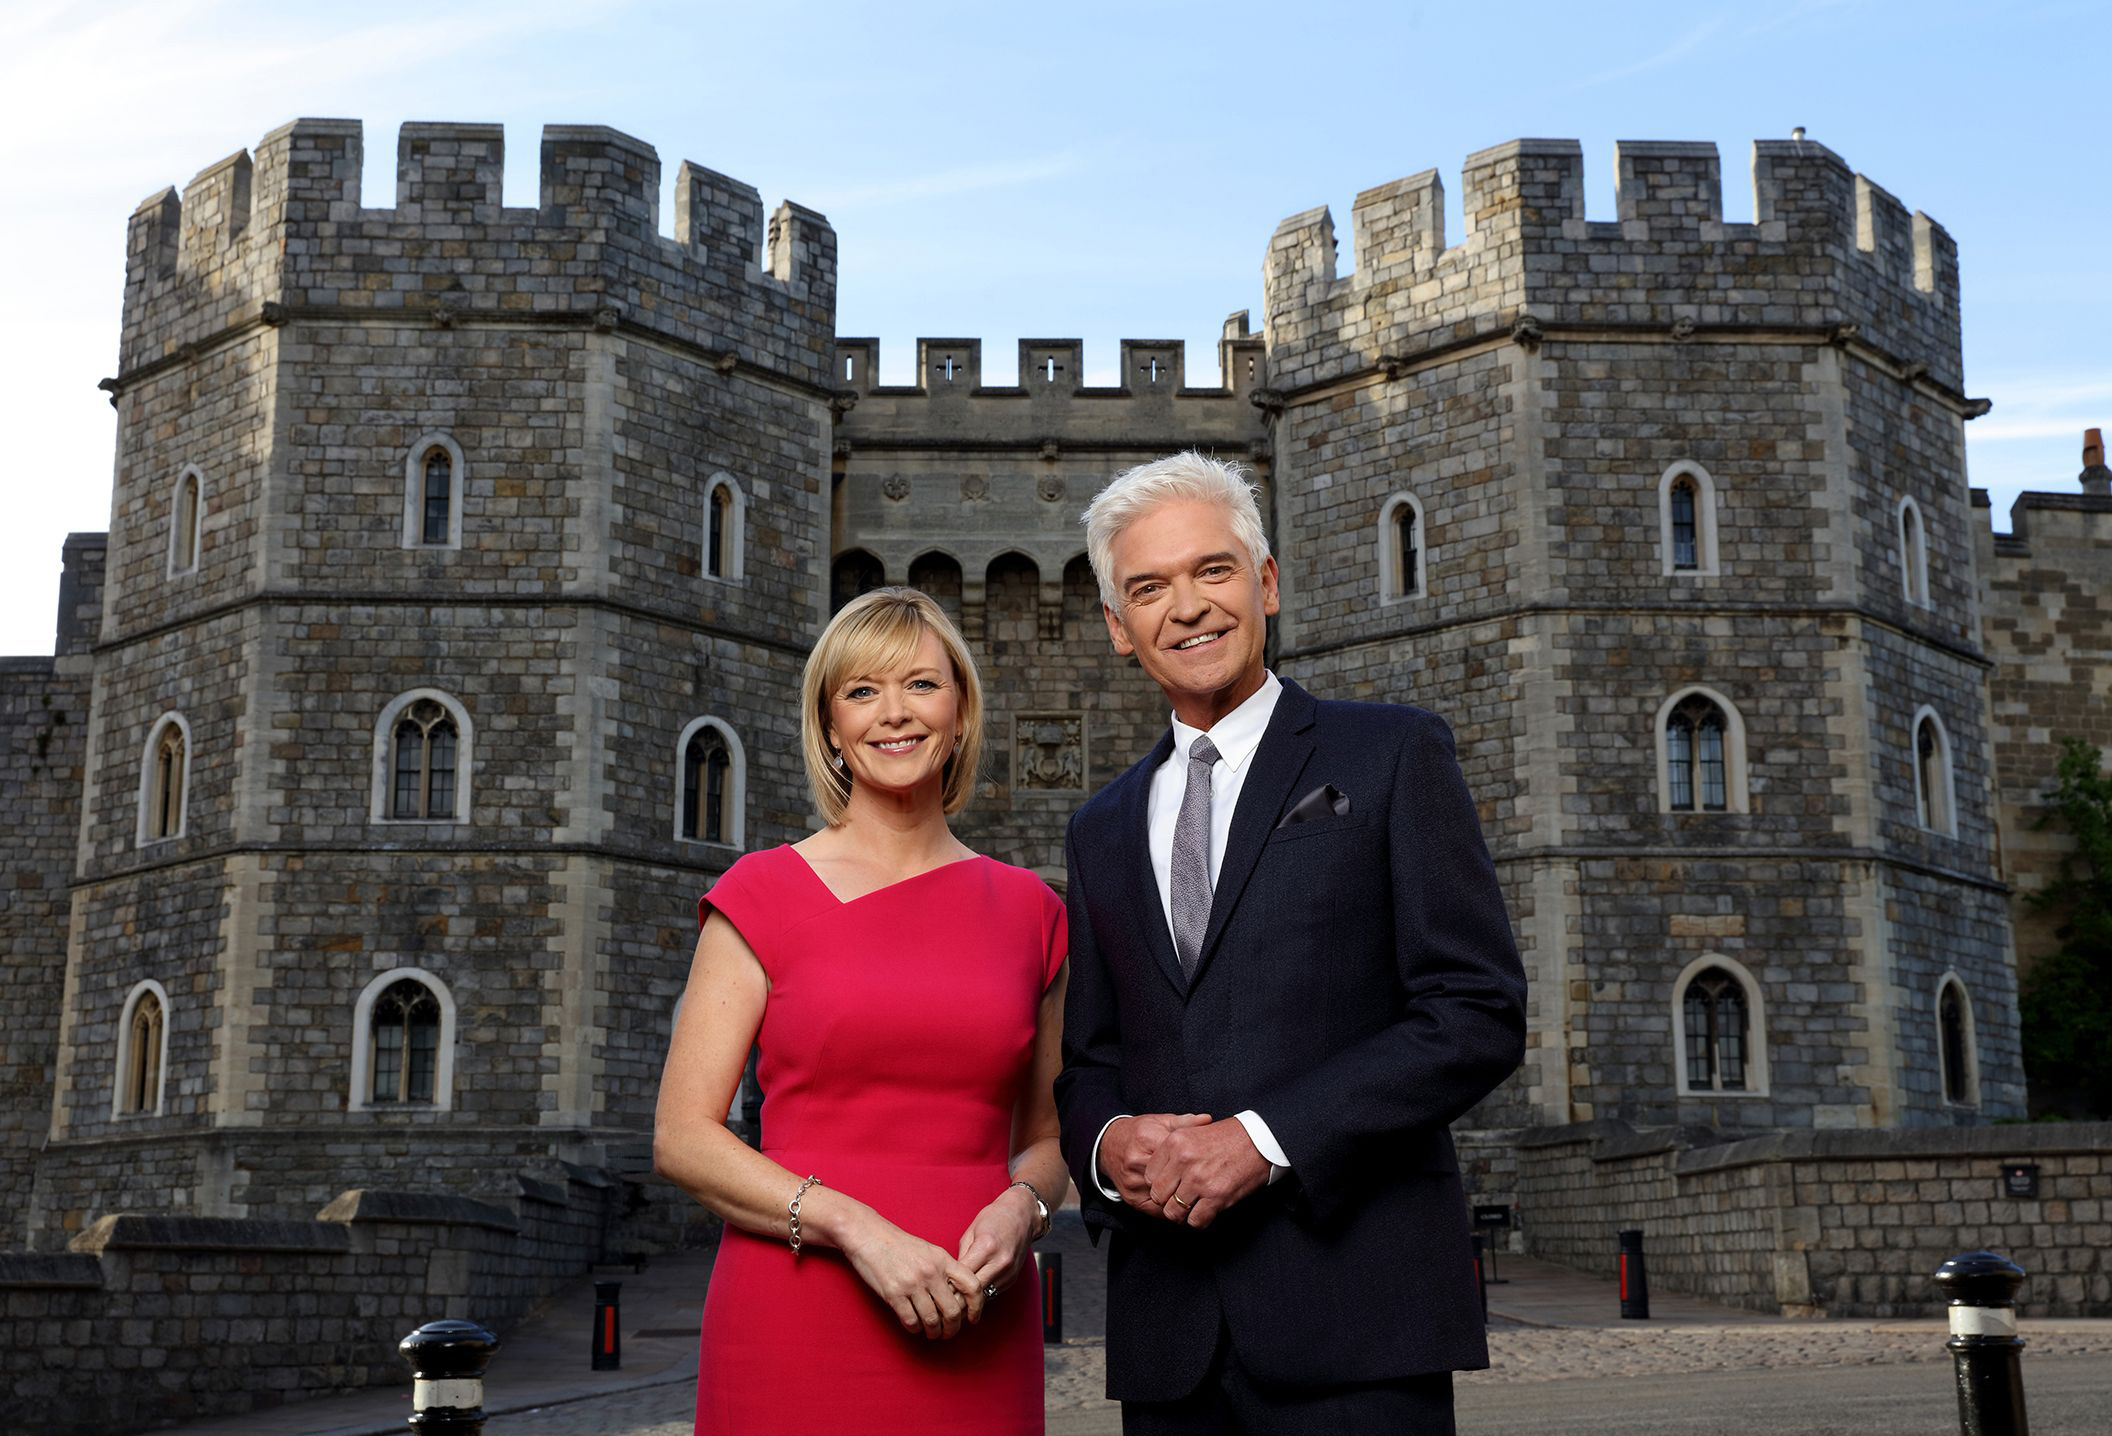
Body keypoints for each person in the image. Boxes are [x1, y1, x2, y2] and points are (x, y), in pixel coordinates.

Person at [1054, 452, 1528, 1434]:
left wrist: (1263, 1140)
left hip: (1356, 1320)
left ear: (1265, 582)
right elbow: (1090, 1061)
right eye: (1150, 587)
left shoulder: (1392, 752)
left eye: (1213, 570)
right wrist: (1108, 1144)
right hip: (1170, 1339)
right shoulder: (1101, 825)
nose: (1187, 607)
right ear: (1117, 626)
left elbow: (1474, 1011)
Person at [655, 588, 1069, 1435]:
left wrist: (1021, 1209)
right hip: (796, 1310)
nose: (895, 714)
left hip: (977, 1312)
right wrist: (854, 1226)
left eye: (921, 685)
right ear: (832, 727)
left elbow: (1048, 1137)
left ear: (959, 712)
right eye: (862, 691)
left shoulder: (1034, 911)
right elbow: (683, 1137)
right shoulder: (760, 895)